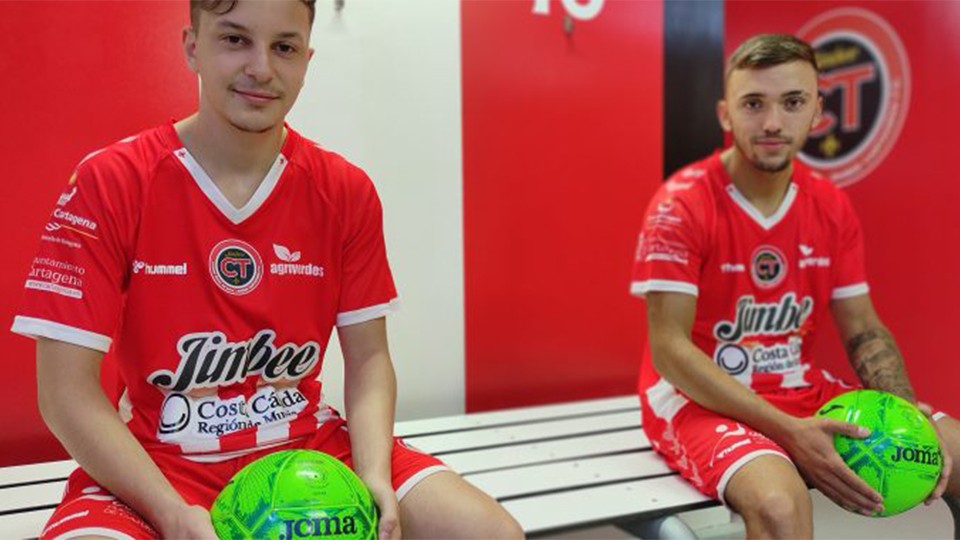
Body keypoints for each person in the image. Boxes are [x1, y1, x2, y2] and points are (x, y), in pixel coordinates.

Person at [11, 1, 523, 538]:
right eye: (235, 40)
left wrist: (372, 475)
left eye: (284, 46)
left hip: (309, 451)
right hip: (159, 466)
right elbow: (64, 393)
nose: (261, 68)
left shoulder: (344, 190)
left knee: (491, 533)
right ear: (192, 46)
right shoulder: (111, 180)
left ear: (307, 58)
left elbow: (370, 360)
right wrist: (171, 514)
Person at [630, 33, 958, 538]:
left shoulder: (829, 203)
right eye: (753, 104)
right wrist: (790, 433)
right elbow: (669, 348)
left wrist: (902, 413)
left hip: (798, 388)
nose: (772, 123)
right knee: (779, 507)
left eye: (793, 102)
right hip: (697, 397)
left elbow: (862, 327)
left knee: (954, 449)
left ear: (817, 111)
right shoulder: (681, 203)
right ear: (725, 114)